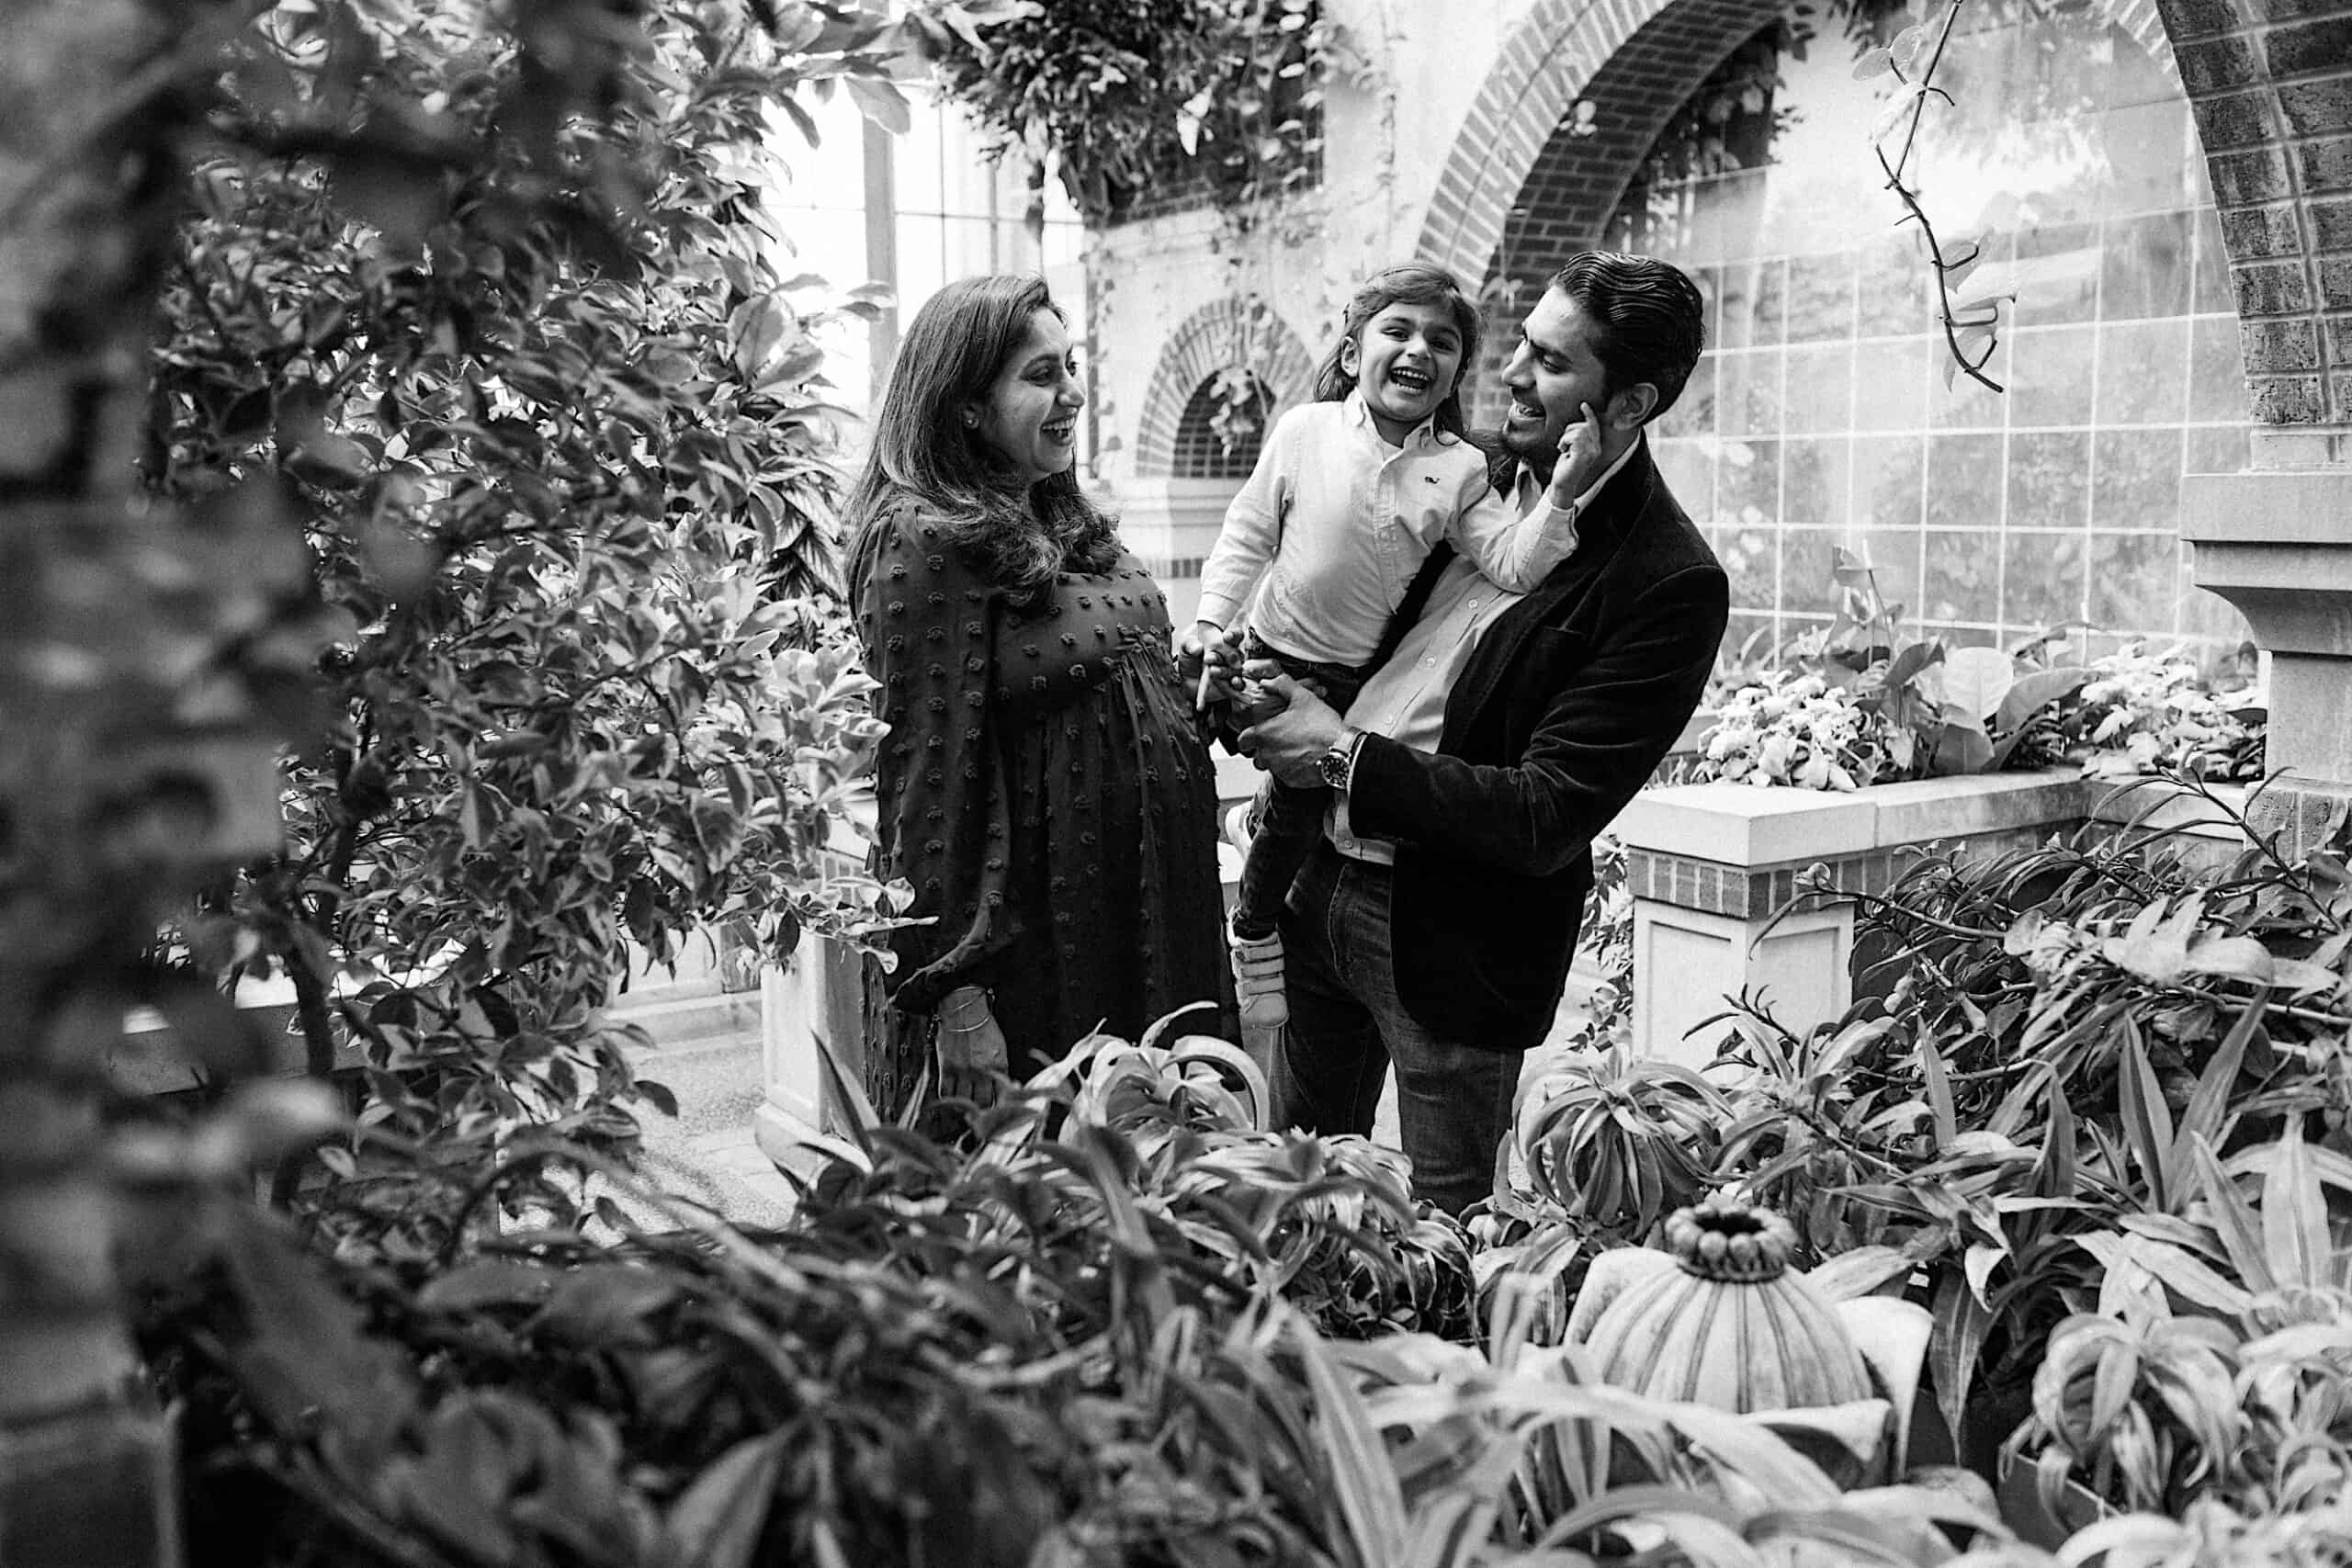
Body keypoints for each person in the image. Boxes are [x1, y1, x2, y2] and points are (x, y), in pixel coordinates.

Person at [1232, 251, 1729, 1215]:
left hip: (1447, 939)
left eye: (1549, 362)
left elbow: (1544, 811)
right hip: (1312, 881)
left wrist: (1333, 752)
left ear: (1627, 404)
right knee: (1298, 1199)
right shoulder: (1469, 474)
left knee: (1446, 1233)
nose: (1506, 373)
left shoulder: (1667, 581)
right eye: (1520, 347)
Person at [844, 274, 1230, 1122]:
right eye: (1042, 374)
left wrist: (1189, 690)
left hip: (1153, 923)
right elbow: (923, 787)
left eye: (1073, 365)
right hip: (1047, 952)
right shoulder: (919, 538)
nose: (1073, 394)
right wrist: (955, 995)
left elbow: (1104, 698)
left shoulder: (1059, 515)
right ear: (967, 405)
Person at [1177, 264, 1593, 1039]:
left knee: (1300, 796)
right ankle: (1187, 891)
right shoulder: (1306, 432)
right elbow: (1246, 533)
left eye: (1441, 341)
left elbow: (1509, 562)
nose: (1417, 350)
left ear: (1457, 374)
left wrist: (1562, 494)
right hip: (1260, 649)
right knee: (1180, 736)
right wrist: (1208, 623)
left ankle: (1253, 927)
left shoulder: (1463, 469)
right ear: (1349, 352)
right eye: (1396, 331)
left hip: (1342, 686)